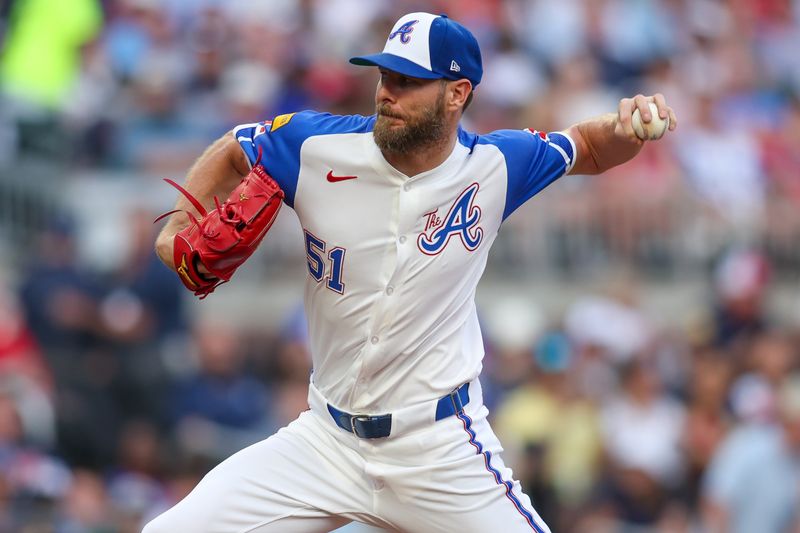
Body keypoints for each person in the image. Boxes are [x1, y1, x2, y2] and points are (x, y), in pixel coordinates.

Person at [146, 12, 677, 533]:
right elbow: (236, 147)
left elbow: (584, 145)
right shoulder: (313, 145)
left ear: (457, 93)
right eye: (384, 76)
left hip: (439, 449)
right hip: (325, 442)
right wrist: (177, 227)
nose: (386, 93)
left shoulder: (495, 165)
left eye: (409, 81)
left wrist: (625, 127)